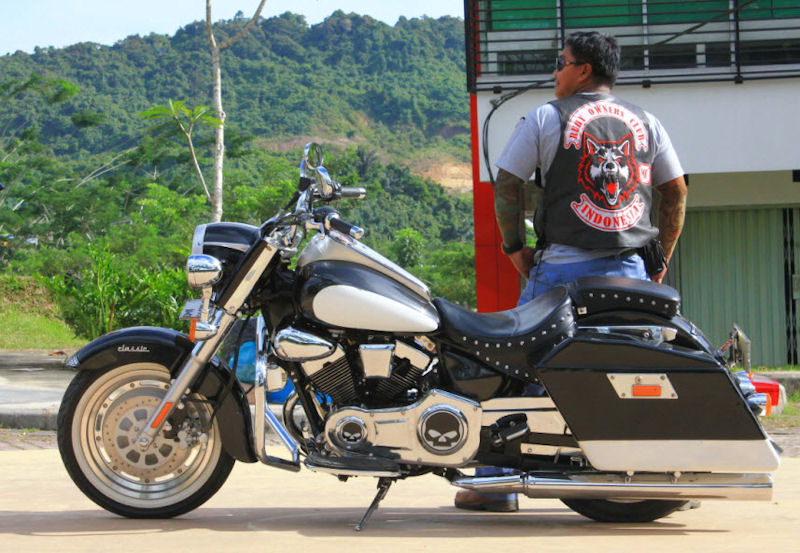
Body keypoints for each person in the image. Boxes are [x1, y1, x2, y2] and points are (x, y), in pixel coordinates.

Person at [455, 31, 688, 512]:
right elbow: (677, 192)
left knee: (510, 368)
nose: (555, 72)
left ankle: (494, 483)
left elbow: (508, 183)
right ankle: (666, 468)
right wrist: (661, 256)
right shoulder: (648, 122)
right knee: (634, 369)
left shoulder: (546, 117)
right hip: (628, 272)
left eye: (560, 63)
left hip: (561, 272)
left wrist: (515, 247)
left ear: (583, 70)